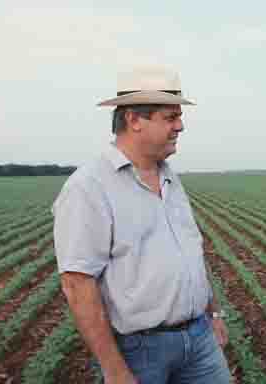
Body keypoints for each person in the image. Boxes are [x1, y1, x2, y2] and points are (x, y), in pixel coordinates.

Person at [52, 66, 231, 384]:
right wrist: (114, 369)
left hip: (200, 339)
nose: (181, 126)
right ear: (134, 119)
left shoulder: (169, 176)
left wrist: (213, 313)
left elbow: (191, 252)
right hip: (139, 351)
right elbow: (78, 284)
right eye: (170, 117)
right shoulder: (88, 187)